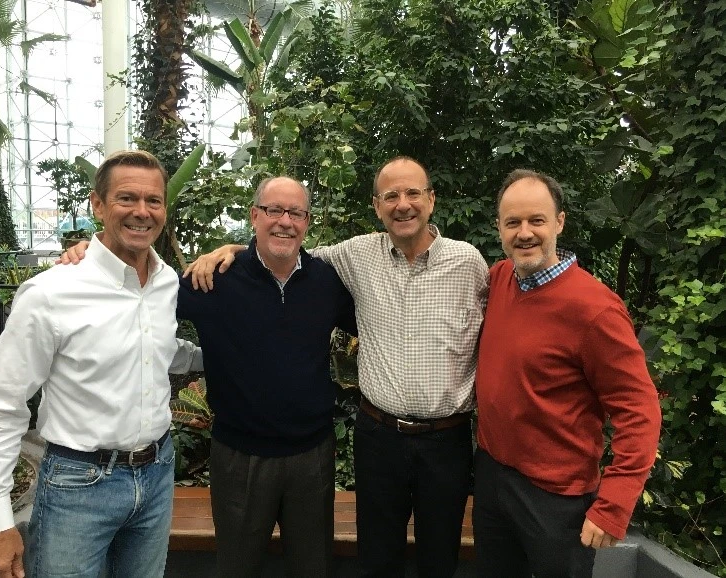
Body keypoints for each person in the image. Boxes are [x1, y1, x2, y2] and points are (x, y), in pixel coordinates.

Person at [187, 157, 489, 577]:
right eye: (391, 195)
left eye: (413, 193)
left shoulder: (467, 262)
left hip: (440, 440)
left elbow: (498, 328)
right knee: (373, 560)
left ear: (431, 200)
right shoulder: (353, 255)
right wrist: (232, 250)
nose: (403, 204)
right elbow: (283, 251)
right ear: (377, 205)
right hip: (370, 439)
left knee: (438, 560)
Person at [60, 175, 357, 578]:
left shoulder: (326, 281)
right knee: (237, 567)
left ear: (307, 221)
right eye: (274, 210)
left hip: (312, 456)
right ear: (254, 215)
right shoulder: (213, 279)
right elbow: (137, 297)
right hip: (238, 457)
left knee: (313, 567)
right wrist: (93, 255)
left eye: (296, 213)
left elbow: (372, 324)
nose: (285, 221)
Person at [0, 150, 204, 578]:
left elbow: (164, 348)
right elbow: (0, 406)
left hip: (157, 474)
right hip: (78, 485)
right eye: (126, 198)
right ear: (98, 205)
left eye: (154, 200)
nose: (142, 211)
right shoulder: (52, 293)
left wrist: (230, 358)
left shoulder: (166, 281)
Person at [472, 169, 662, 577]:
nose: (525, 233)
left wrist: (613, 505)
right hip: (492, 477)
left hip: (555, 499)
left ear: (560, 222)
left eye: (537, 220)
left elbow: (639, 411)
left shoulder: (595, 309)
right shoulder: (500, 279)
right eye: (513, 222)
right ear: (499, 228)